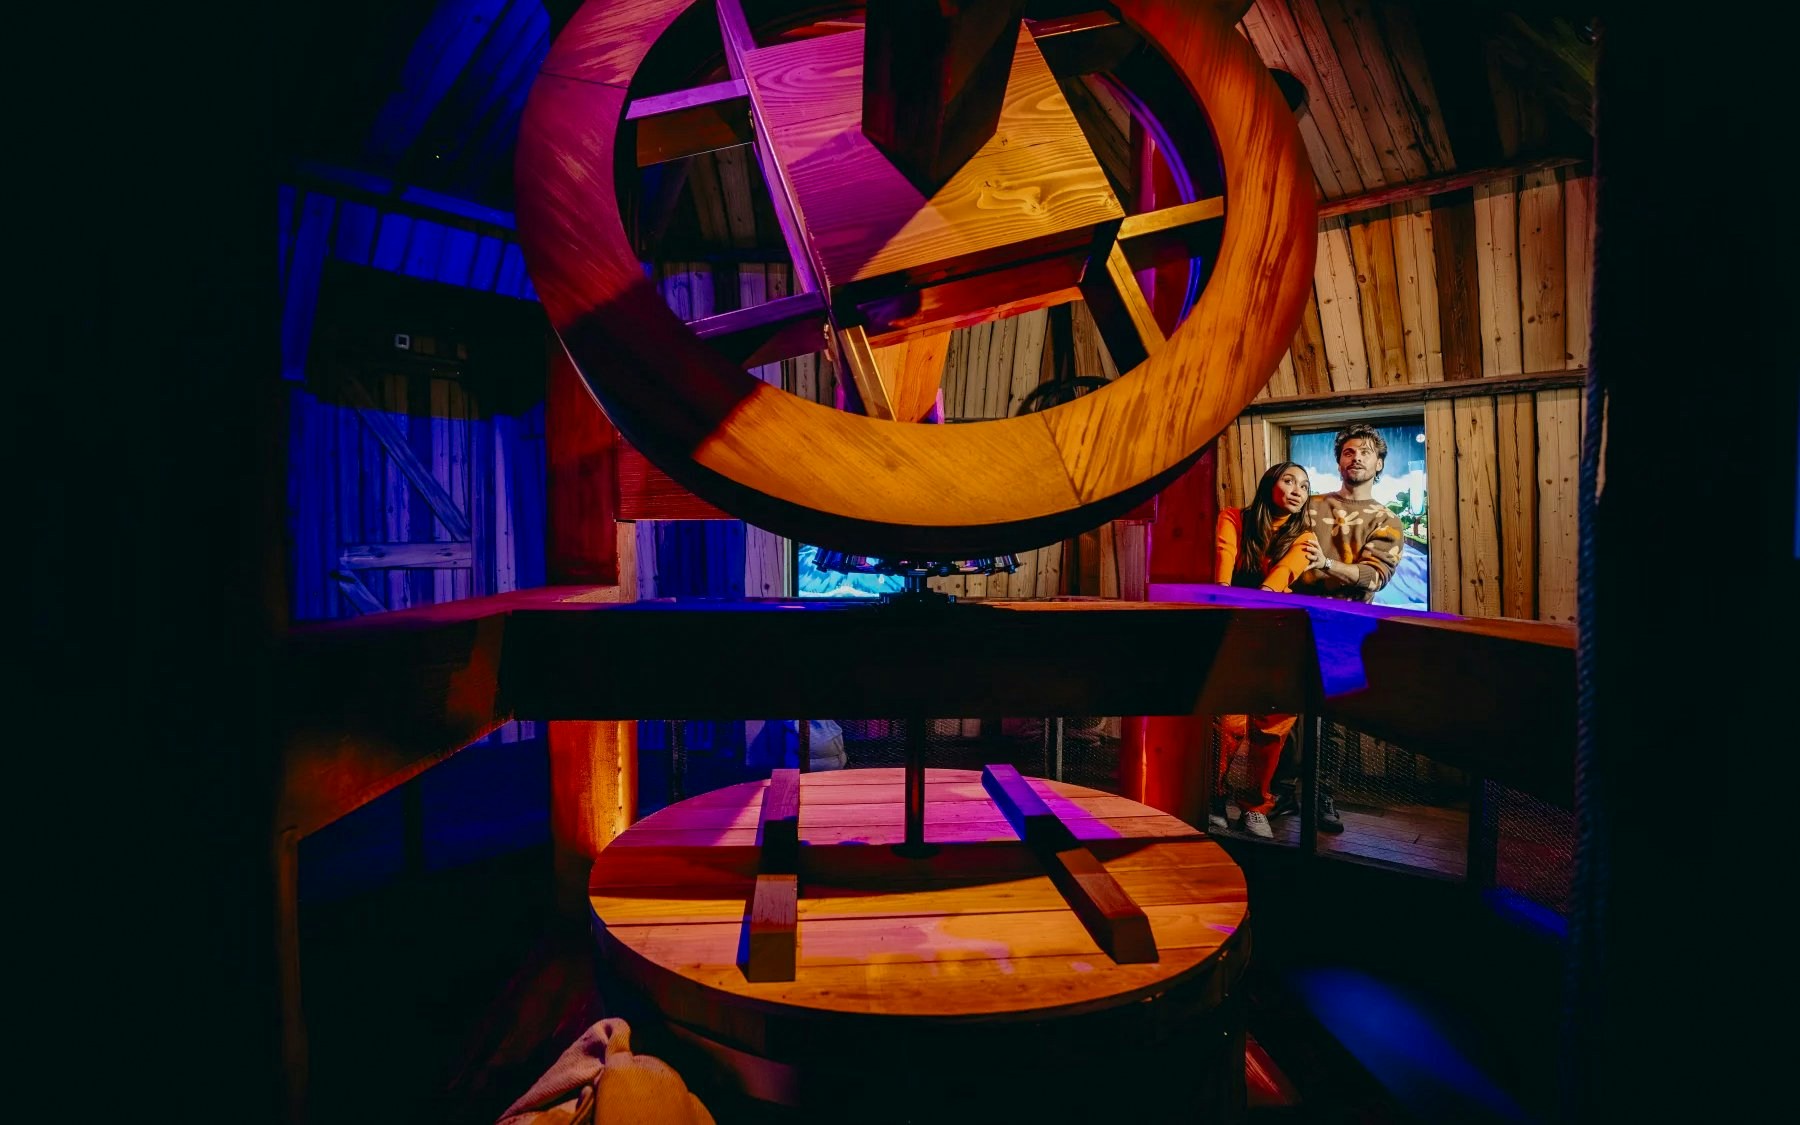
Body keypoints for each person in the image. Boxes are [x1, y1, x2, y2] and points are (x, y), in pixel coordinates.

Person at [1270, 423, 1407, 833]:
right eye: (1349, 452)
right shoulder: (1309, 505)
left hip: (1346, 628)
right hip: (1293, 622)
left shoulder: (1387, 520)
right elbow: (1273, 539)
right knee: (1283, 710)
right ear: (1339, 461)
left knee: (1332, 716)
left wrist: (1326, 564)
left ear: (1379, 463)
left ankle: (1321, 795)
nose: (1357, 458)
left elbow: (1372, 576)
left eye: (1366, 452)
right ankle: (1279, 791)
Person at [1209, 461, 1319, 839]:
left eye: (1304, 486)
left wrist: (1264, 599)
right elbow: (1223, 565)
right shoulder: (1234, 518)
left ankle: (1257, 804)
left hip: (1274, 633)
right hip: (1230, 629)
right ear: (1270, 483)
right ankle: (1214, 798)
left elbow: (1280, 579)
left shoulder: (1305, 538)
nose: (1297, 490)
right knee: (1227, 721)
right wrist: (1223, 603)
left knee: (1273, 723)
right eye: (1289, 480)